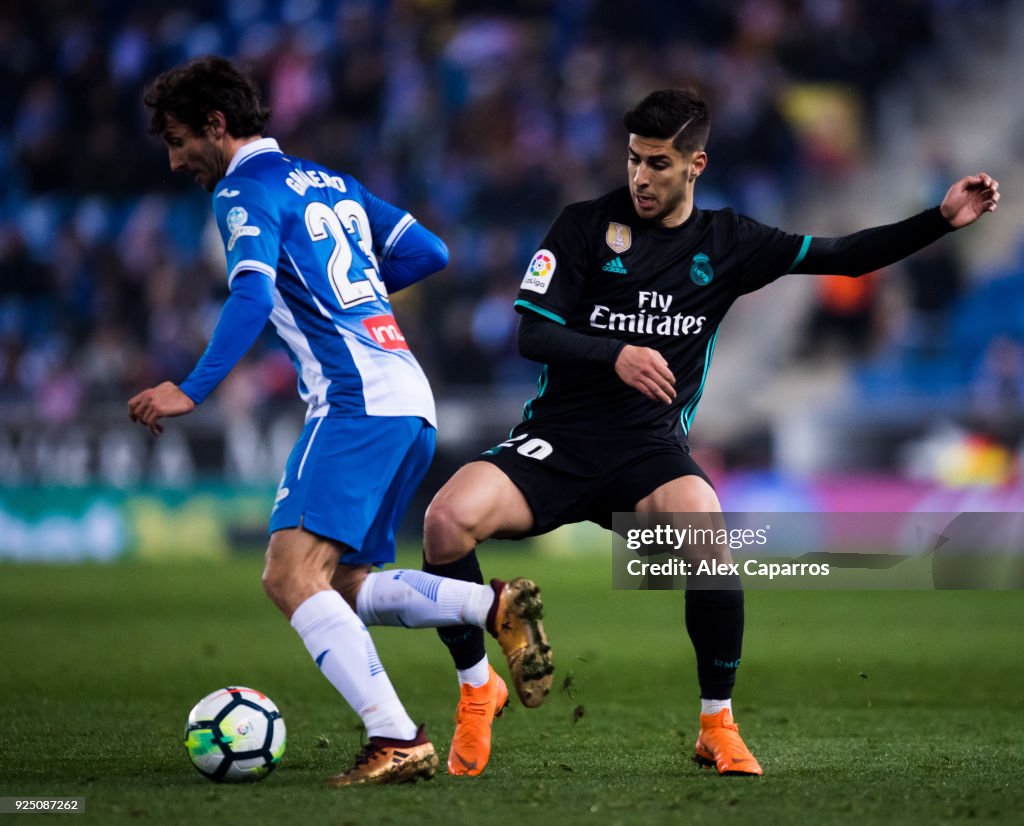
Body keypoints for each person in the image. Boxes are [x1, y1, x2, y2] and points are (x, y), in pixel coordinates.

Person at [422, 88, 999, 777]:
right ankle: (476, 688)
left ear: (696, 164)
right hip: (559, 440)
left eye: (658, 163)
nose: (640, 176)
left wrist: (941, 218)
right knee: (445, 520)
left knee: (707, 529)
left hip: (647, 452)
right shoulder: (582, 227)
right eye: (633, 159)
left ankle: (716, 724)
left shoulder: (728, 242)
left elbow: (843, 257)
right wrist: (616, 353)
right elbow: (532, 333)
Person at [129, 56, 552, 787]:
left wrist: (192, 389)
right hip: (408, 398)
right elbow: (431, 251)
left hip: (355, 401)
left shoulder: (241, 189)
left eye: (177, 139)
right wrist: (351, 297)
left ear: (216, 126)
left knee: (288, 576)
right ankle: (492, 606)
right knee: (346, 582)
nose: (174, 160)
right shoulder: (329, 182)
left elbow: (253, 297)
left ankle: (395, 735)